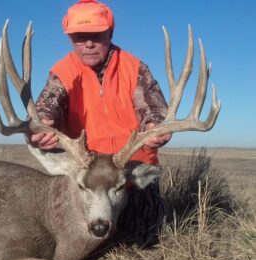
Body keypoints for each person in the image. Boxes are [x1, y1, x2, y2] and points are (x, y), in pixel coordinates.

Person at [29, 0, 171, 246]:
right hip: (85, 175)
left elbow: (154, 109)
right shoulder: (63, 72)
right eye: (79, 38)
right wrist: (42, 122)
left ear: (110, 33)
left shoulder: (134, 68)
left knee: (144, 239)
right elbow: (48, 102)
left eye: (96, 35)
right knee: (69, 241)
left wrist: (156, 127)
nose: (88, 44)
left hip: (130, 173)